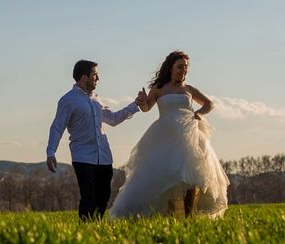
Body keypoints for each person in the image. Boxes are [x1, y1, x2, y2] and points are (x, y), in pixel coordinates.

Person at [109, 51, 229, 219]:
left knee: (191, 176)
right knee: (169, 176)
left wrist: (200, 113)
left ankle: (188, 216)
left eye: (186, 68)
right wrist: (143, 101)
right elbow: (146, 108)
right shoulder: (158, 88)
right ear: (171, 67)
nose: (183, 71)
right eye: (180, 67)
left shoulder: (188, 89)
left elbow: (209, 104)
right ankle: (169, 216)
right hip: (165, 135)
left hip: (189, 135)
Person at [46, 59, 144, 220]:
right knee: (89, 196)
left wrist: (135, 104)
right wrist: (51, 152)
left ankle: (97, 229)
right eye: (95, 75)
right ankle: (85, 230)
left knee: (103, 197)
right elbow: (57, 127)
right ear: (84, 77)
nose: (98, 79)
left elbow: (112, 119)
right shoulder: (68, 100)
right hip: (83, 157)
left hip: (104, 156)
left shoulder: (97, 99)